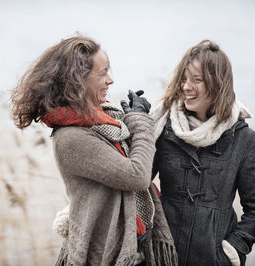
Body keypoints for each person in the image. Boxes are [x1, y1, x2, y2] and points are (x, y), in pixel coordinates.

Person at [10, 36, 177, 265]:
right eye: (103, 73)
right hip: (105, 255)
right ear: (77, 80)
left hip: (133, 247)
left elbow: (139, 162)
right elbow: (137, 175)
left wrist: (131, 122)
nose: (111, 80)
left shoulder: (105, 119)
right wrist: (140, 123)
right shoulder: (71, 138)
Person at [150, 40, 255, 266]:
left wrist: (231, 251)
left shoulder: (244, 140)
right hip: (162, 257)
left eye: (197, 80)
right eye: (183, 79)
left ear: (218, 84)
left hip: (213, 259)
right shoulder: (165, 129)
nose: (186, 87)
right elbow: (137, 182)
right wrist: (137, 128)